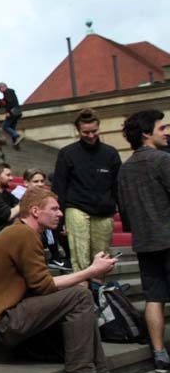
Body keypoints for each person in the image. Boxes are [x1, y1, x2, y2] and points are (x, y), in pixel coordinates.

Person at [0, 186, 139, 373]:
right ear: (35, 211)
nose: (60, 213)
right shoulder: (23, 234)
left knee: (78, 293)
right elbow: (44, 286)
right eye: (54, 208)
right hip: (1, 323)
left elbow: (40, 285)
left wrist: (87, 275)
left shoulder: (21, 232)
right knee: (79, 295)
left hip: (7, 316)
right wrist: (91, 271)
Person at [117, 110, 170, 373]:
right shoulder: (163, 160)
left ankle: (159, 354)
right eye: (163, 128)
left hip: (145, 241)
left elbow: (125, 212)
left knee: (154, 298)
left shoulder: (125, 169)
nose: (168, 132)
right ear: (147, 133)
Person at [52, 108, 121, 272]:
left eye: (94, 131)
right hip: (76, 207)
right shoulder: (67, 153)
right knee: (80, 257)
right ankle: (83, 292)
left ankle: (98, 291)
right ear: (78, 130)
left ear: (99, 128)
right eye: (86, 132)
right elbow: (59, 187)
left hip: (104, 210)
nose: (91, 136)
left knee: (102, 257)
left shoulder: (110, 153)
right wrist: (59, 219)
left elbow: (118, 185)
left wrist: (122, 213)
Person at [13, 169, 70, 270]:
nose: (40, 184)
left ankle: (58, 257)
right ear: (26, 183)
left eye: (42, 181)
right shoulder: (17, 195)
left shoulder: (45, 197)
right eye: (35, 181)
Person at [0, 82, 24, 146]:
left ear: (3, 87)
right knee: (12, 128)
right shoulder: (11, 92)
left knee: (5, 126)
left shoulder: (7, 92)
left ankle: (17, 135)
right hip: (17, 112)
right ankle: (15, 142)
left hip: (12, 112)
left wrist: (8, 112)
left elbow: (9, 102)